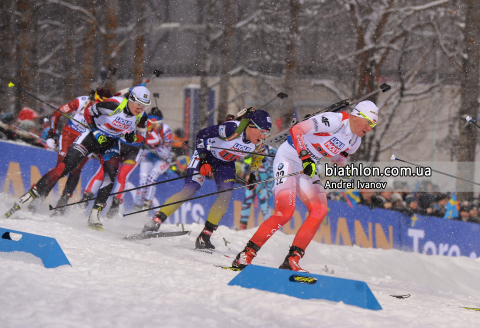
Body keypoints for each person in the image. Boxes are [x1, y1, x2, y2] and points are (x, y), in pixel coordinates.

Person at [232, 101, 380, 272]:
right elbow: (297, 130)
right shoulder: (334, 121)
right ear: (356, 116)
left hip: (307, 166)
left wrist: (340, 166)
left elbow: (339, 159)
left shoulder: (355, 141)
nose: (370, 128)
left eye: (373, 124)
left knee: (320, 210)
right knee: (285, 212)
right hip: (289, 156)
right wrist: (305, 157)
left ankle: (292, 260)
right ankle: (246, 255)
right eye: (369, 122)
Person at [5, 85, 150, 229]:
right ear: (130, 99)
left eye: (144, 106)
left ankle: (95, 214)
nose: (140, 108)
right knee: (65, 167)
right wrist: (94, 130)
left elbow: (140, 138)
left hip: (110, 143)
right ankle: (30, 196)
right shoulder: (112, 104)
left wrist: (131, 138)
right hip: (91, 137)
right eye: (138, 104)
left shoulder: (142, 117)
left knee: (111, 173)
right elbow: (88, 112)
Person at [141, 109, 272, 249]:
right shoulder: (232, 128)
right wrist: (204, 161)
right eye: (263, 131)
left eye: (267, 133)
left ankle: (205, 236)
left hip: (225, 164)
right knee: (190, 189)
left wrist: (253, 174)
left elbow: (258, 156)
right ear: (251, 126)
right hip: (205, 155)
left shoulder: (258, 142)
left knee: (225, 196)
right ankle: (156, 221)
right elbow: (202, 134)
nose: (264, 136)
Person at [47, 88, 113, 216]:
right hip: (69, 135)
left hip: (86, 141)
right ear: (94, 98)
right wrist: (51, 133)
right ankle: (38, 195)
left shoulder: (107, 111)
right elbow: (56, 113)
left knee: (76, 170)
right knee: (61, 168)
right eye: (98, 101)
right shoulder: (81, 101)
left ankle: (61, 207)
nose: (100, 105)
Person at [132, 108, 173, 213]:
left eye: (156, 123)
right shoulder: (145, 128)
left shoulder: (166, 130)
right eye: (151, 123)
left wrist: (154, 146)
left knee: (151, 177)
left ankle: (146, 206)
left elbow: (165, 153)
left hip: (163, 159)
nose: (153, 125)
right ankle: (137, 206)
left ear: (161, 122)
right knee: (143, 180)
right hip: (149, 155)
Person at [239, 146, 277, 230]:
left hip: (269, 179)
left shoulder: (272, 150)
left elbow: (277, 165)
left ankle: (269, 226)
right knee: (248, 196)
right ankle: (243, 224)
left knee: (263, 198)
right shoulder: (252, 147)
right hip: (256, 176)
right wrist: (247, 173)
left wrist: (264, 160)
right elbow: (246, 163)